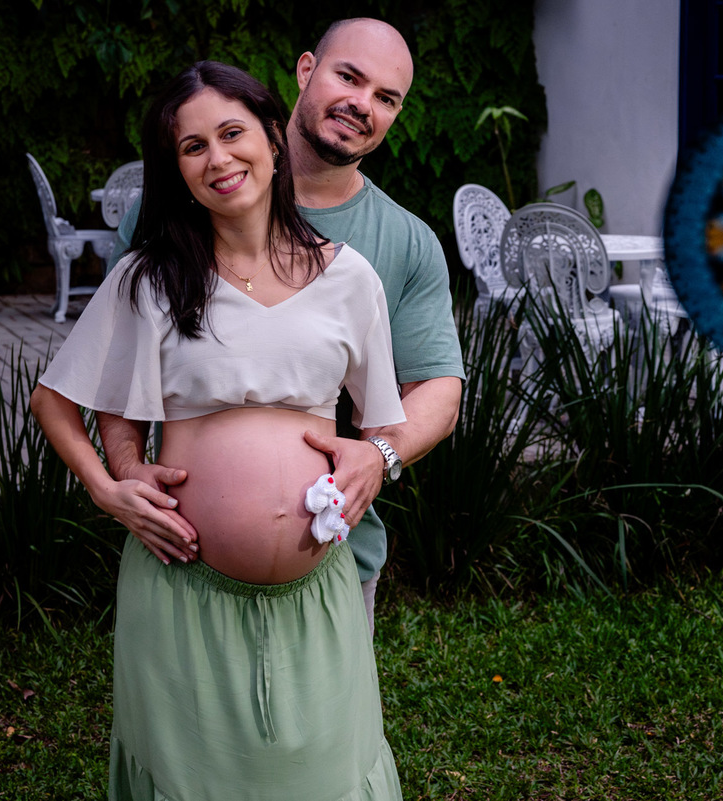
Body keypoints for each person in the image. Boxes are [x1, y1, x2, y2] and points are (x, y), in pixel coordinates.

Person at [31, 61, 405, 800]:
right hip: (180, 588)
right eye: (192, 147)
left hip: (317, 591)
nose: (219, 159)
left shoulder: (350, 277)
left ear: (271, 136)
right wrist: (111, 486)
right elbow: (60, 400)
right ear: (177, 170)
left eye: (232, 133)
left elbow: (383, 421)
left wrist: (377, 457)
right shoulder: (150, 277)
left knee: (328, 774)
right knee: (186, 779)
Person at [102, 18, 465, 636]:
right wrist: (126, 468)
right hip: (181, 558)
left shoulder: (405, 241)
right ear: (305, 71)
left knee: (325, 735)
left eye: (386, 98)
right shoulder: (173, 211)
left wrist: (381, 455)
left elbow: (438, 387)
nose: (361, 105)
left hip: (337, 556)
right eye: (348, 77)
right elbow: (114, 370)